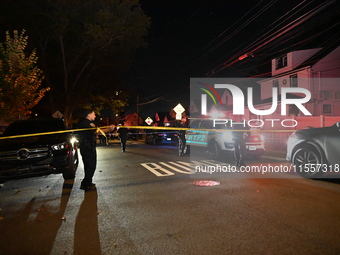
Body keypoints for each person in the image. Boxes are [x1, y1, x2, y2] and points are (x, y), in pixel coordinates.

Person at [77, 110, 98, 190]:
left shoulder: (85, 123)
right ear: (88, 114)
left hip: (88, 147)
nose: (95, 116)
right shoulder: (86, 123)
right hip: (87, 147)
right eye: (93, 114)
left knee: (90, 165)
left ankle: (88, 182)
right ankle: (85, 184)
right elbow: (95, 131)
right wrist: (109, 129)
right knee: (90, 165)